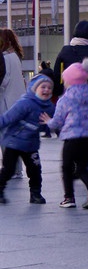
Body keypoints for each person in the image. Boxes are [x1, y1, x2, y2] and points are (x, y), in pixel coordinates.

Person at [48, 59, 88, 209]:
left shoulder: (65, 99)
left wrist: (48, 122)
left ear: (69, 81)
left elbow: (57, 122)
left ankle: (69, 198)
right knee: (81, 168)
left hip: (72, 138)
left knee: (66, 167)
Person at [0, 74, 53, 204]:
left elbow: (54, 123)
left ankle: (35, 194)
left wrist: (52, 125)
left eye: (49, 88)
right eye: (43, 87)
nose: (46, 90)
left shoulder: (50, 107)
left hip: (31, 144)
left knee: (35, 169)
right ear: (34, 89)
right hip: (14, 142)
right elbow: (8, 117)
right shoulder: (25, 103)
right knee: (9, 169)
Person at [52, 21, 88, 140]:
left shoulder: (65, 51)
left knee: (72, 125)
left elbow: (57, 73)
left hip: (71, 94)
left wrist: (57, 91)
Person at [0, 28, 25, 115]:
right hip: (19, 100)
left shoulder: (5, 58)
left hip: (7, 102)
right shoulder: (16, 56)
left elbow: (4, 80)